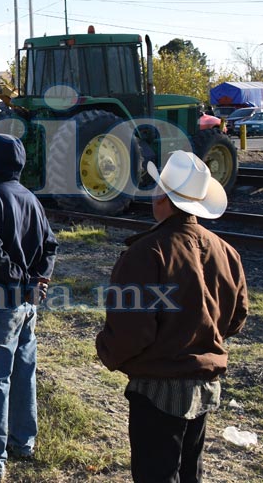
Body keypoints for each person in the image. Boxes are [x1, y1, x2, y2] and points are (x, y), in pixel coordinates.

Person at [96, 151, 248, 483]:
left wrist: (105, 350)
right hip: (205, 386)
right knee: (190, 473)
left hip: (158, 390)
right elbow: (236, 319)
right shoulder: (227, 253)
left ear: (163, 197)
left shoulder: (146, 253)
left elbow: (130, 331)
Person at [0, 133, 57, 483]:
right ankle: (24, 443)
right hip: (27, 305)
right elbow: (51, 245)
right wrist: (38, 281)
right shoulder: (31, 198)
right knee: (23, 374)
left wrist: (22, 283)